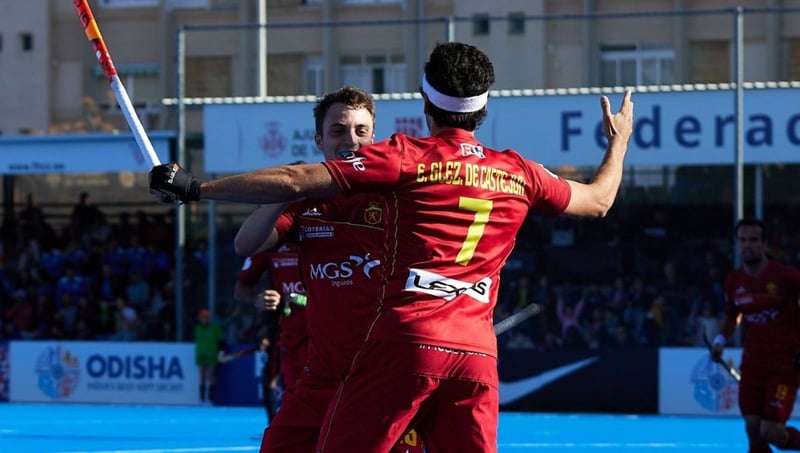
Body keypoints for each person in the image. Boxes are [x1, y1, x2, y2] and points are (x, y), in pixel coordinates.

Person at [150, 42, 633, 452]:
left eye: (360, 131)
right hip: (475, 356)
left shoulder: (406, 159)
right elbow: (598, 200)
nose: (351, 140)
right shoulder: (520, 171)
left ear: (425, 102)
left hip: (402, 350)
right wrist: (619, 142)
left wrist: (196, 188)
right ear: (484, 108)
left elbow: (297, 179)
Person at [232, 87, 422, 453]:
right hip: (321, 375)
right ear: (319, 140)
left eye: (361, 131)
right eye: (338, 130)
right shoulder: (305, 203)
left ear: (374, 137)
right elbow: (246, 244)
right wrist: (289, 190)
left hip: (386, 373)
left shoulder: (396, 197)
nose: (351, 140)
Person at [711, 218, 800, 452]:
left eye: (753, 240)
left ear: (764, 244)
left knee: (769, 431)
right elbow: (732, 316)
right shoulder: (734, 281)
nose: (747, 245)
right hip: (752, 364)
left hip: (784, 365)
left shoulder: (787, 277)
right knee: (753, 429)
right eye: (742, 240)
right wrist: (719, 341)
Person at [234, 243, 309, 423]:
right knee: (282, 381)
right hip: (287, 334)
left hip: (328, 331)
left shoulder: (330, 237)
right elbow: (241, 290)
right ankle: (276, 425)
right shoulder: (270, 243)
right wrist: (258, 300)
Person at [194, 308, 225, 405]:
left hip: (211, 354)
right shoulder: (197, 328)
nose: (204, 319)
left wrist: (221, 352)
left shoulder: (214, 328)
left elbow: (221, 341)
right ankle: (202, 399)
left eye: (205, 317)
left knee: (211, 376)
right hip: (201, 355)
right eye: (202, 317)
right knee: (202, 376)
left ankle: (211, 399)